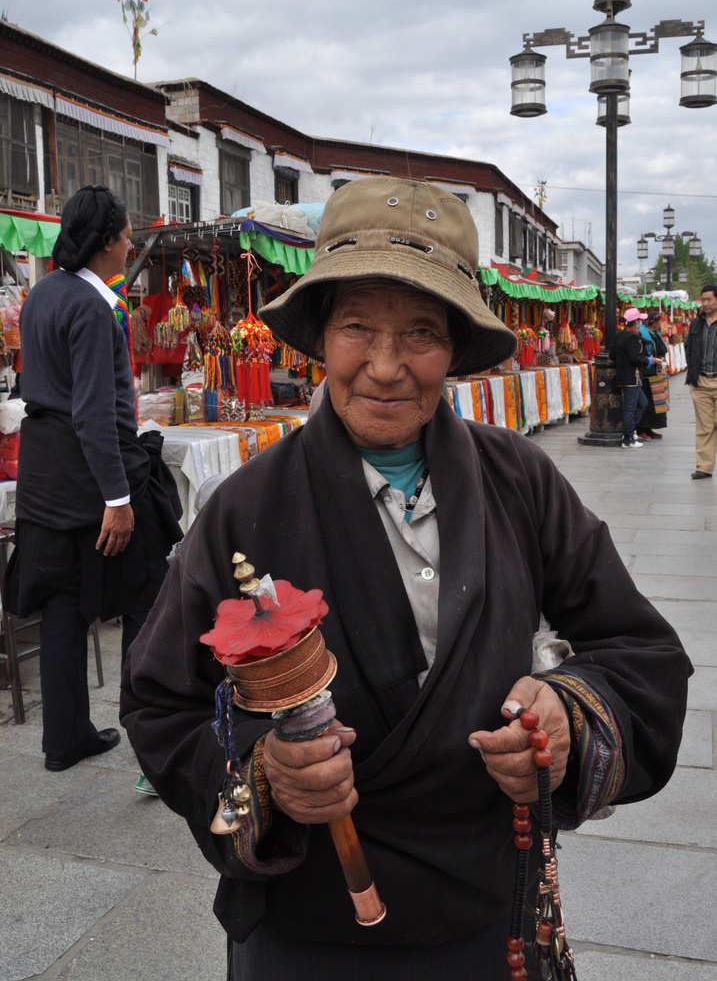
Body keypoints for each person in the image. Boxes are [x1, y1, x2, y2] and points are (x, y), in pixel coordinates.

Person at [121, 178, 690, 981]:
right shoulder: (245, 506)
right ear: (319, 335)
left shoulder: (519, 481)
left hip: (486, 913)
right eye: (357, 326)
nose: (385, 367)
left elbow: (637, 649)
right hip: (313, 926)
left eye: (419, 332)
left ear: (455, 346)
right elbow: (160, 702)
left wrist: (566, 713)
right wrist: (265, 776)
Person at [5, 185, 183, 774]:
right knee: (146, 591)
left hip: (43, 471)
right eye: (127, 234)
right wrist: (118, 498)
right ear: (106, 241)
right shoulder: (94, 304)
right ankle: (155, 737)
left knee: (61, 606)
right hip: (87, 473)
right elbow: (93, 411)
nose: (131, 241)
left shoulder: (42, 295)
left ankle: (65, 738)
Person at [613, 307, 659, 449]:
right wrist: (650, 361)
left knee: (642, 403)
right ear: (636, 321)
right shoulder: (631, 337)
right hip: (631, 377)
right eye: (639, 319)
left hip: (627, 377)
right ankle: (627, 439)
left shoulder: (620, 335)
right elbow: (635, 358)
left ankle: (631, 431)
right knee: (630, 408)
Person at [685, 283, 717, 479]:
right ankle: (704, 467)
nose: (704, 303)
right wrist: (692, 370)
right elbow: (689, 348)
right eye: (702, 299)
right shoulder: (696, 324)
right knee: (704, 427)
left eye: (709, 299)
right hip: (701, 382)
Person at [636, 311, 669, 440]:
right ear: (654, 323)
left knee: (656, 402)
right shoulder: (642, 335)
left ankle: (649, 428)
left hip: (658, 373)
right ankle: (641, 428)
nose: (661, 323)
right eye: (659, 321)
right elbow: (640, 354)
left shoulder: (655, 334)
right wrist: (651, 360)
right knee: (647, 402)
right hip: (647, 373)